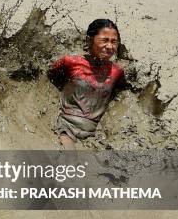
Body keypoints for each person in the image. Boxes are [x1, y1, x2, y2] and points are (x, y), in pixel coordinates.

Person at [47, 19, 128, 149]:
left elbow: (123, 93)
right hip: (66, 127)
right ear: (89, 40)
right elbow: (48, 77)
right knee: (71, 158)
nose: (110, 46)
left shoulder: (117, 72)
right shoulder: (70, 62)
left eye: (114, 42)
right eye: (104, 40)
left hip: (94, 133)